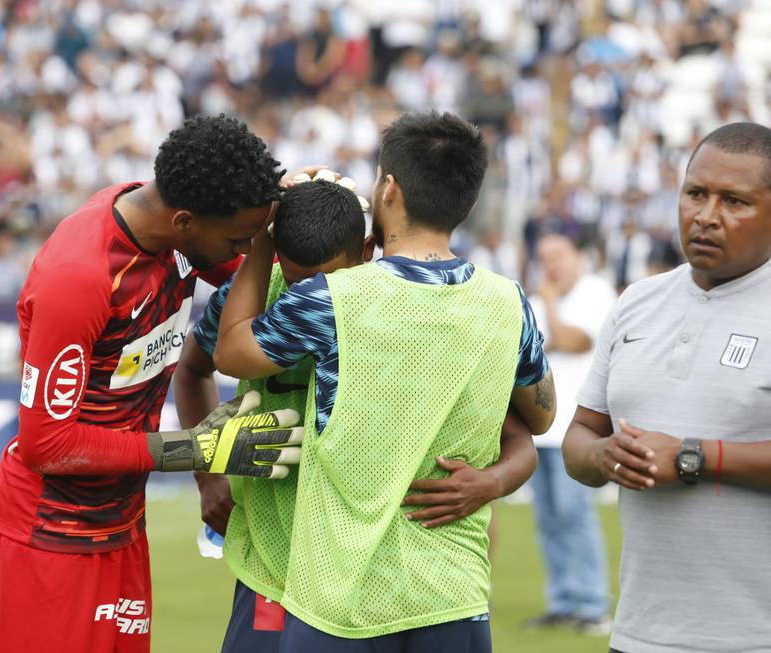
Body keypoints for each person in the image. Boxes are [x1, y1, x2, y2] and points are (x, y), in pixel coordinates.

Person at [0, 115, 303, 653]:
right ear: (187, 222)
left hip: (120, 530)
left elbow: (269, 266)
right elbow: (47, 443)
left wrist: (310, 204)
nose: (244, 249)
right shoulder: (81, 277)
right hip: (48, 539)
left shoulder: (176, 230)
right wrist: (198, 451)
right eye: (238, 237)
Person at [215, 111, 556, 651]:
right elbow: (539, 416)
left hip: (338, 595)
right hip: (451, 592)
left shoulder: (332, 298)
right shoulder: (507, 302)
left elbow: (231, 351)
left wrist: (265, 236)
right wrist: (493, 478)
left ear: (388, 189)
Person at [562, 122, 771, 653]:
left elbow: (687, 456)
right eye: (695, 193)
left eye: (735, 202)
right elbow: (580, 437)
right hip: (639, 634)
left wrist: (693, 457)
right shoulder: (638, 301)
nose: (706, 216)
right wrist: (605, 456)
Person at [524, 233, 616, 635]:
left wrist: (547, 301)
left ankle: (594, 604)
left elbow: (573, 342)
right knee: (547, 520)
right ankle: (562, 601)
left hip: (575, 429)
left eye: (558, 255)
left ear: (578, 255)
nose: (551, 265)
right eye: (544, 257)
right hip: (541, 430)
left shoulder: (596, 292)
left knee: (574, 515)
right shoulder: (537, 296)